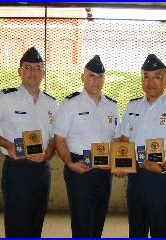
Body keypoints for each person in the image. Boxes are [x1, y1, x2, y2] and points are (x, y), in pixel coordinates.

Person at [0, 47, 58, 237]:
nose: (32, 72)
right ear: (19, 71)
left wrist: (49, 153)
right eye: (27, 67)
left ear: (43, 73)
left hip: (42, 171)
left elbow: (53, 138)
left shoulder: (51, 103)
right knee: (17, 226)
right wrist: (8, 145)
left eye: (37, 68)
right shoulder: (6, 98)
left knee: (36, 224)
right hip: (17, 171)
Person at [116, 54, 166, 237]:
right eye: (147, 77)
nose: (151, 82)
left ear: (165, 80)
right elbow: (123, 139)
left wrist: (163, 167)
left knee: (161, 230)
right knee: (136, 230)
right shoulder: (132, 106)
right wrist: (120, 163)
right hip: (135, 177)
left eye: (157, 77)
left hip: (161, 178)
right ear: (142, 80)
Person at [53, 55, 120, 237]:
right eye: (91, 76)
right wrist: (69, 163)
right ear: (82, 77)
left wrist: (118, 163)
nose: (95, 81)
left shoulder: (112, 105)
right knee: (82, 222)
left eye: (100, 77)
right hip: (79, 168)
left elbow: (117, 139)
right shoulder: (70, 103)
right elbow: (59, 139)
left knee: (98, 220)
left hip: (104, 170)